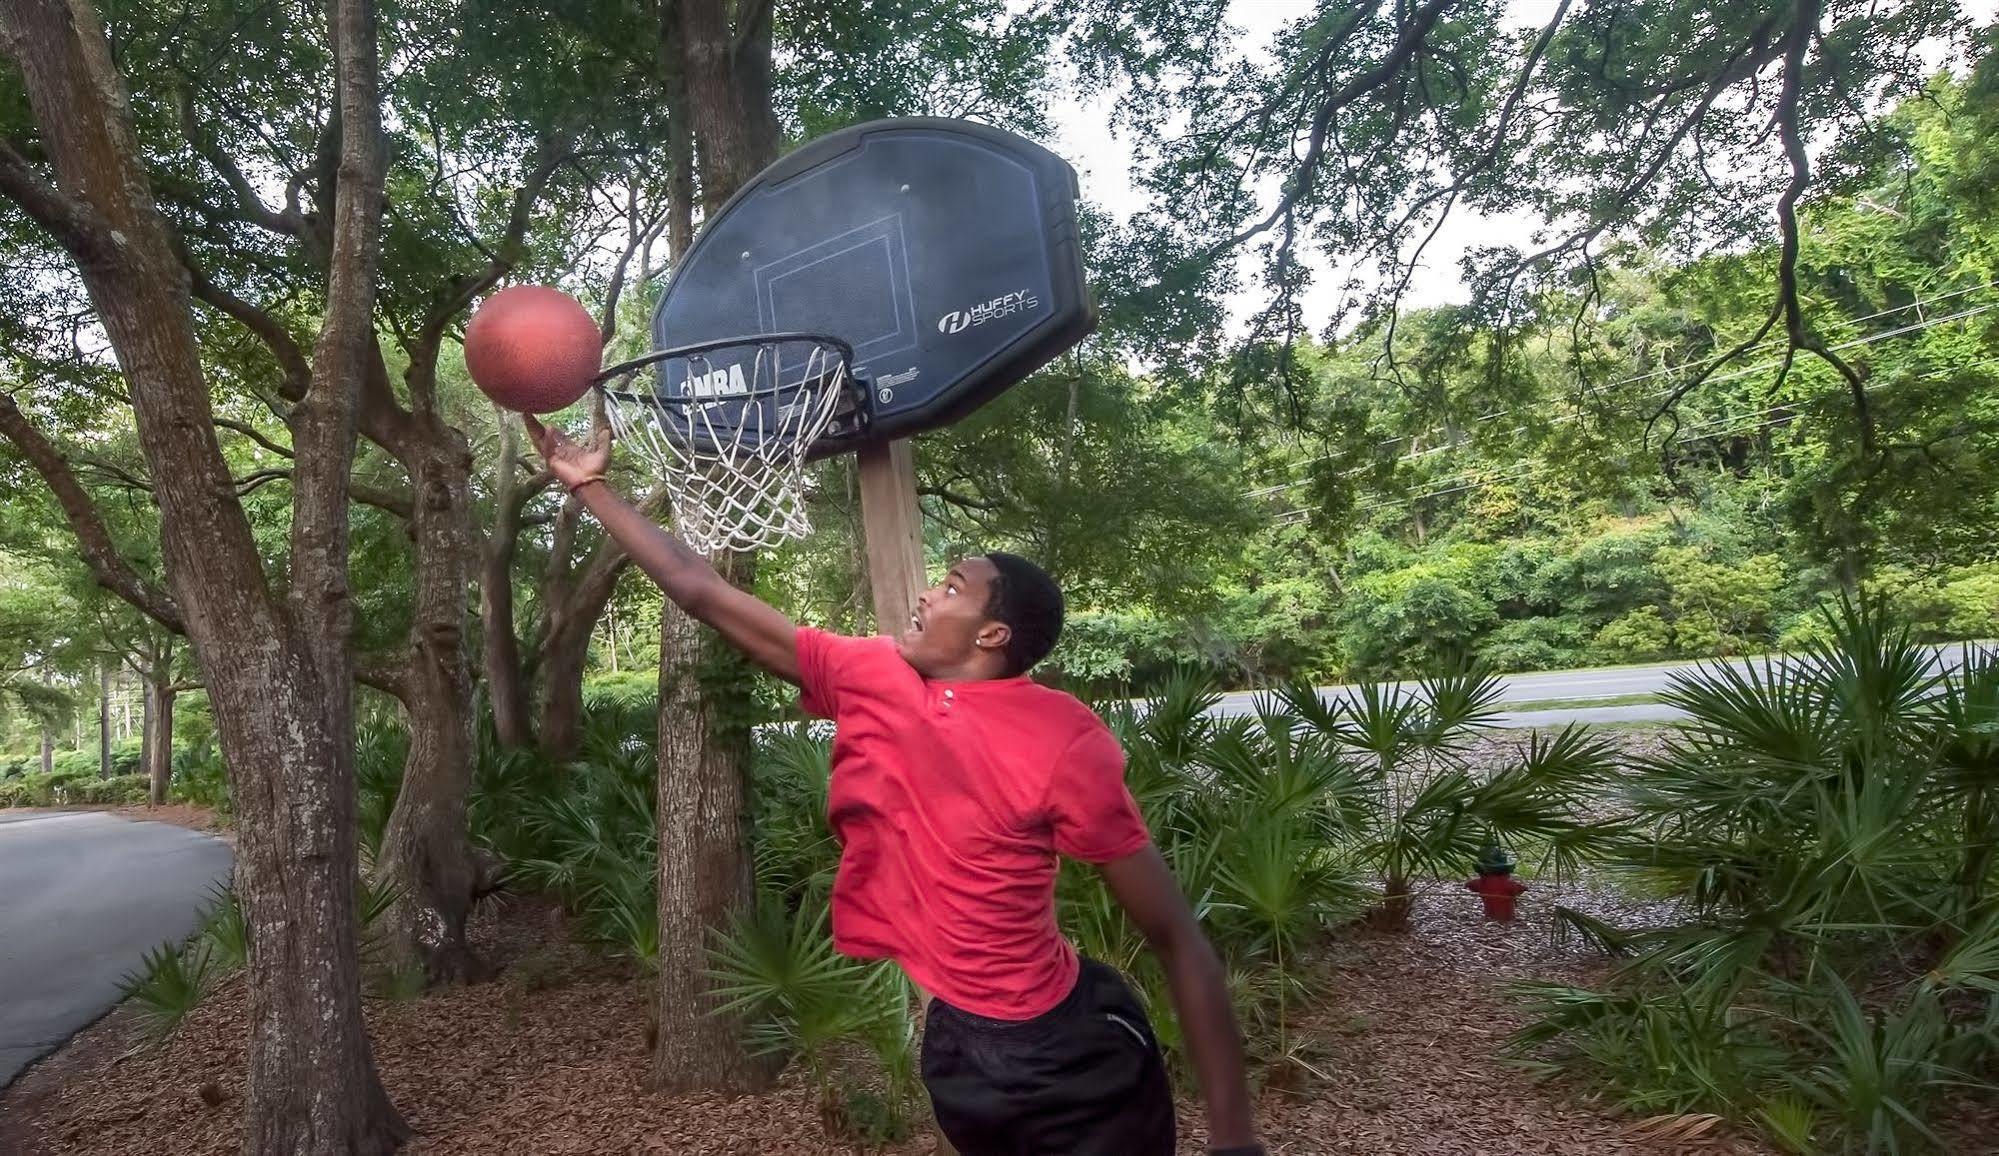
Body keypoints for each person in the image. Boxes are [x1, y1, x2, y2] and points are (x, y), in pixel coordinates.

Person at [525, 415, 1262, 1156]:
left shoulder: (1062, 738)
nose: (928, 595)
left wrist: (1235, 1141)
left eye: (951, 588)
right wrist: (589, 485)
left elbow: (1175, 936)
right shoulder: (869, 674)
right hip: (956, 1046)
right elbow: (701, 592)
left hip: (1065, 1051)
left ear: (992, 635)